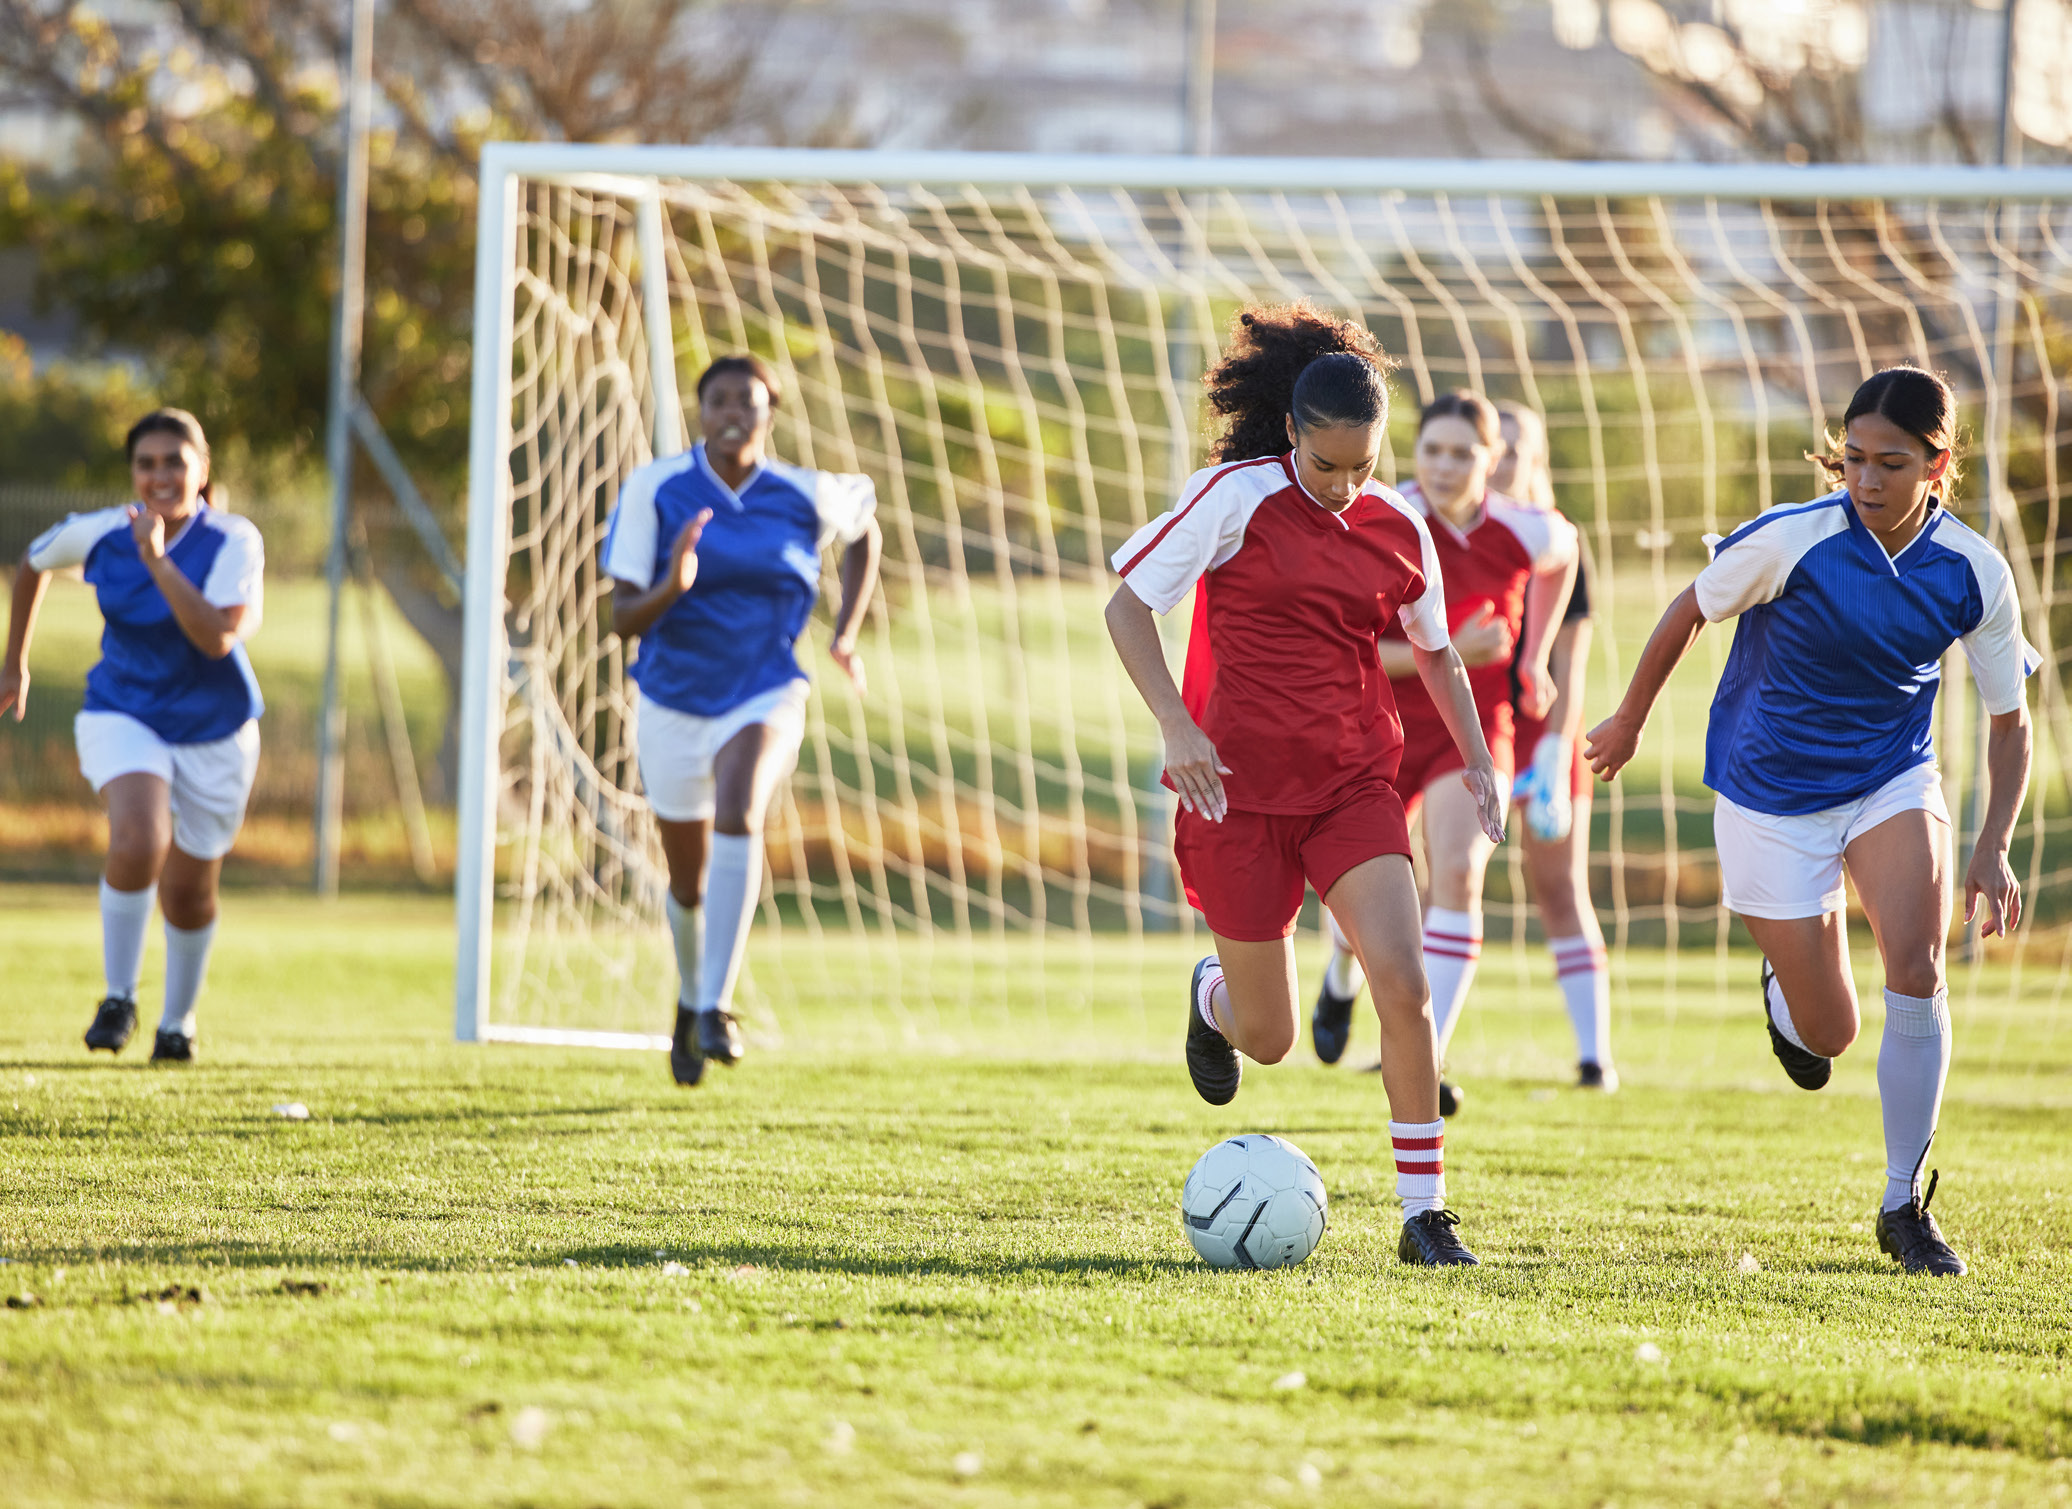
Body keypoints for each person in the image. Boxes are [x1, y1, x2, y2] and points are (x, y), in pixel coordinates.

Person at [1586, 366, 2035, 1276]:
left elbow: (2008, 721)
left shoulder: (1974, 572)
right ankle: (1787, 989)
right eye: (1854, 460)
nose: (1867, 480)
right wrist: (1629, 718)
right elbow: (1687, 610)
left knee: (1918, 962)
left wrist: (1991, 846)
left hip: (1890, 780)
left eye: (1892, 463)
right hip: (1768, 795)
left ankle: (1903, 1203)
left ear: (1937, 464)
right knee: (1830, 1032)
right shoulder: (1794, 539)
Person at [1105, 304, 1506, 1267]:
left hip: (1349, 785)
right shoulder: (1230, 498)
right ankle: (1212, 1000)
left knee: (1402, 984)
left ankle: (1425, 1213)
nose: (1343, 485)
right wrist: (1176, 721)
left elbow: (1439, 654)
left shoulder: (1400, 526)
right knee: (1272, 1037)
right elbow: (1126, 607)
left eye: (1363, 466)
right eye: (1326, 465)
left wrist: (1481, 758)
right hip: (1232, 793)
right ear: (1291, 431)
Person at [601, 353, 883, 1087]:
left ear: (770, 413)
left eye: (748, 401)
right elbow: (621, 614)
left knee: (740, 807)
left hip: (766, 690)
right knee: (687, 882)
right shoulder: (655, 488)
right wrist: (675, 583)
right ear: (701, 409)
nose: (733, 411)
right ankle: (690, 1001)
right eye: (719, 398)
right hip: (671, 700)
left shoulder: (801, 492)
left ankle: (717, 1007)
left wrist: (844, 631)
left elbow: (865, 528)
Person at [1312, 392, 1577, 1116]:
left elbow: (1567, 552)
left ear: (1493, 461)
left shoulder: (1522, 528)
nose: (1445, 464)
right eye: (1433, 449)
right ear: (1414, 453)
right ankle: (1341, 971)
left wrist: (1535, 655)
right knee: (1357, 897)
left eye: (1464, 452)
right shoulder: (1380, 517)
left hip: (1472, 723)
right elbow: (1348, 643)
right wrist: (1452, 648)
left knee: (1458, 870)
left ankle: (1427, 1058)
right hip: (1379, 723)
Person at [1, 408, 265, 1063]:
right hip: (123, 710)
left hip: (214, 727)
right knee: (140, 835)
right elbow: (32, 564)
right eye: (146, 463)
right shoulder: (100, 533)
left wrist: (155, 558)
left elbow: (215, 636)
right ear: (133, 473)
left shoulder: (234, 540)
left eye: (175, 461)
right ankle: (118, 994)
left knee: (189, 890)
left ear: (202, 471)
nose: (160, 474)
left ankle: (177, 1022)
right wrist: (15, 663)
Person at [1491, 400, 1616, 1091]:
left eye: (1517, 448)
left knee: (1560, 887)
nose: (1503, 460)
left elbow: (1573, 665)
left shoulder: (1560, 542)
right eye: (1495, 446)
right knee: (1432, 882)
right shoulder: (1452, 534)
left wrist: (1551, 752)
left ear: (1535, 459)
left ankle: (1595, 1056)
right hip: (1468, 731)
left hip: (1545, 736)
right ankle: (1418, 1038)